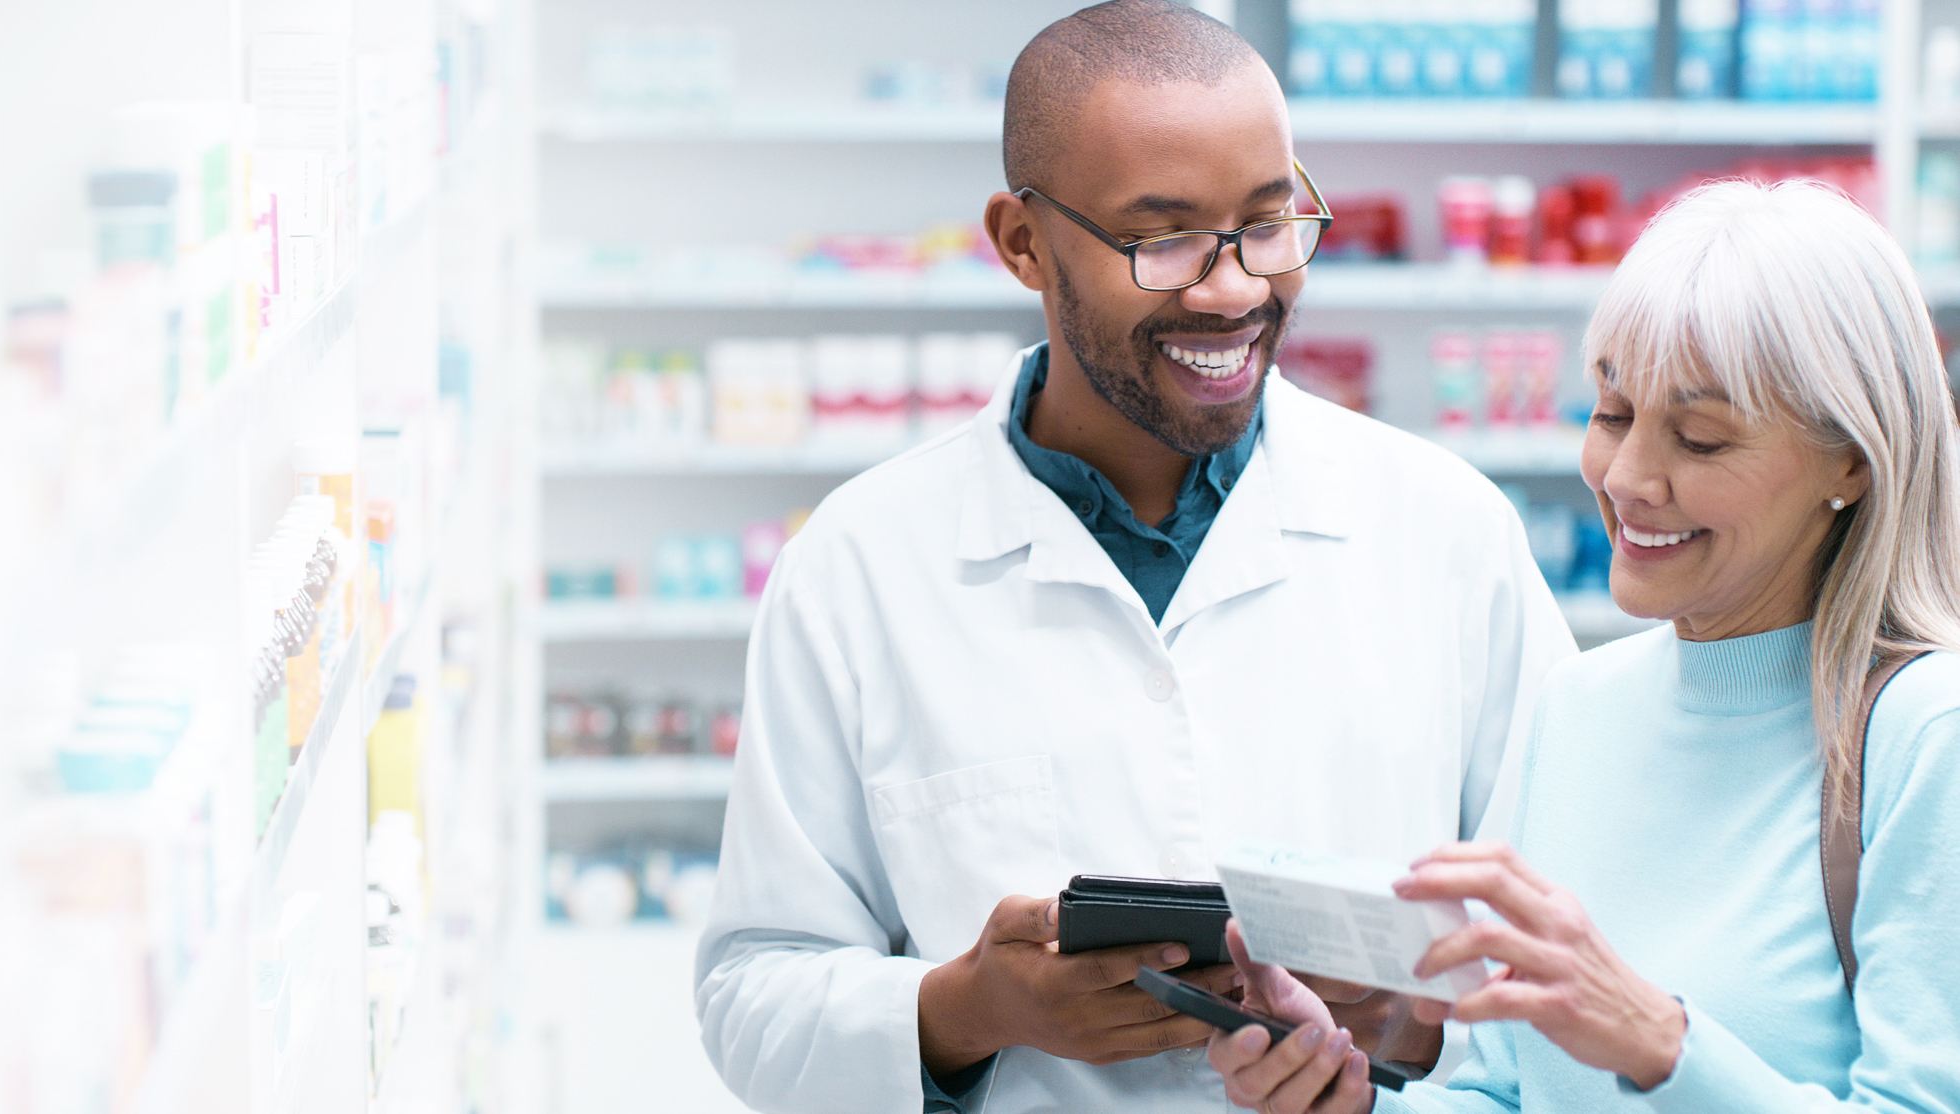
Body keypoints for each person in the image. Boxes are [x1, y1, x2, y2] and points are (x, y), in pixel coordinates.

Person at [693, 3, 1576, 1111]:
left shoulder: (1448, 531)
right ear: (1022, 243)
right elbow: (753, 988)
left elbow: (1575, 941)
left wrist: (1405, 1026)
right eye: (1162, 240)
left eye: (1267, 224)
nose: (1234, 289)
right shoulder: (861, 568)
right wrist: (972, 1006)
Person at [1207, 178, 1960, 1114]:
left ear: (1852, 458)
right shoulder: (1577, 707)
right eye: (1611, 415)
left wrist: (1657, 1042)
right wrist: (1348, 1102)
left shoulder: (1927, 738)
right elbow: (1507, 1095)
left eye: (1700, 438)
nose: (1630, 477)